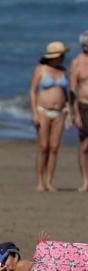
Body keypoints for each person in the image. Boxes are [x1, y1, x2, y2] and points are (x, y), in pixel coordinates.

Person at [30, 42, 72, 193]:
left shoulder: (63, 71)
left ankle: (49, 181)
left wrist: (69, 112)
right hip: (43, 111)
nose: (62, 58)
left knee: (54, 148)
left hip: (60, 113)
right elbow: (33, 91)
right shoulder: (40, 69)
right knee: (43, 147)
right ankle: (39, 181)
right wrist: (34, 112)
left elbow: (66, 93)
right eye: (60, 55)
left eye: (62, 55)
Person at [72, 33, 88, 193]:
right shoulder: (77, 62)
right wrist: (75, 113)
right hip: (83, 107)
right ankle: (85, 181)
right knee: (84, 146)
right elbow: (73, 90)